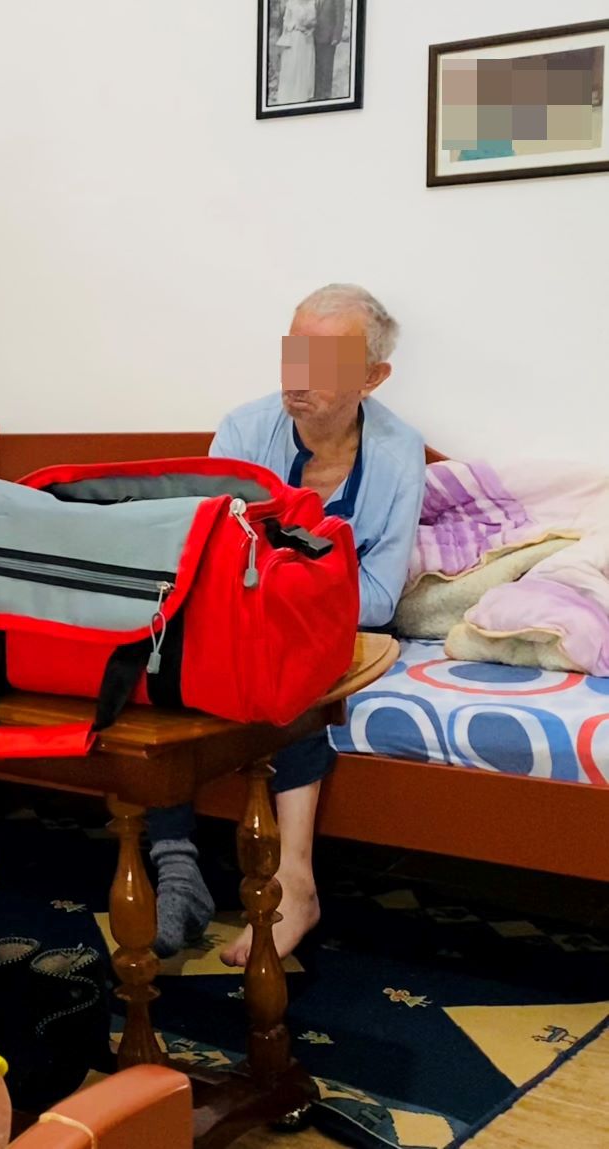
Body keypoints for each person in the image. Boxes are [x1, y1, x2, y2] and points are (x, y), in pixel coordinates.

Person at [148, 284, 425, 964]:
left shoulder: (398, 452)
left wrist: (285, 595)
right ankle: (173, 855)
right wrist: (296, 589)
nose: (299, 378)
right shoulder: (244, 431)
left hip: (324, 631)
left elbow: (382, 595)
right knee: (163, 651)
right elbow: (204, 559)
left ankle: (293, 881)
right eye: (295, 353)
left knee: (298, 663)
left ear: (372, 377)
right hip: (241, 617)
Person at [275, 0, 317, 105]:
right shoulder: (291, 3)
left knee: (305, 65)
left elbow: (315, 21)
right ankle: (292, 94)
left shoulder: (311, 3)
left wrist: (311, 29)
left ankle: (304, 94)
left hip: (307, 39)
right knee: (294, 65)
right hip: (295, 38)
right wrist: (296, 26)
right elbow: (286, 22)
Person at [313, 0, 348, 101]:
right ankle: (317, 94)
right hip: (316, 36)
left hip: (329, 38)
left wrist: (336, 36)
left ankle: (326, 94)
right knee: (318, 67)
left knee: (327, 67)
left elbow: (340, 15)